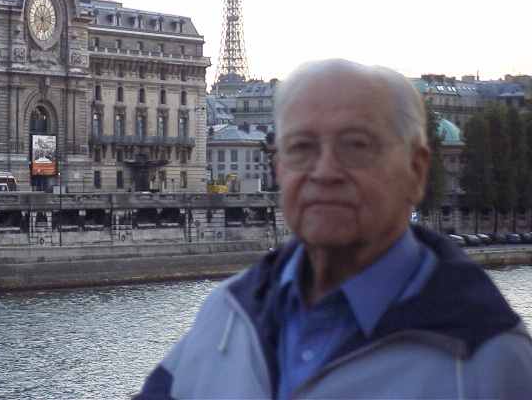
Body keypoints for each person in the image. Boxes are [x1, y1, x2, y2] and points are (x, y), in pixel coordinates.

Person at [136, 59, 532, 399]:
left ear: (417, 170)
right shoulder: (226, 311)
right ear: (278, 168)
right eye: (301, 147)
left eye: (356, 146)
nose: (324, 171)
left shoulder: (491, 359)